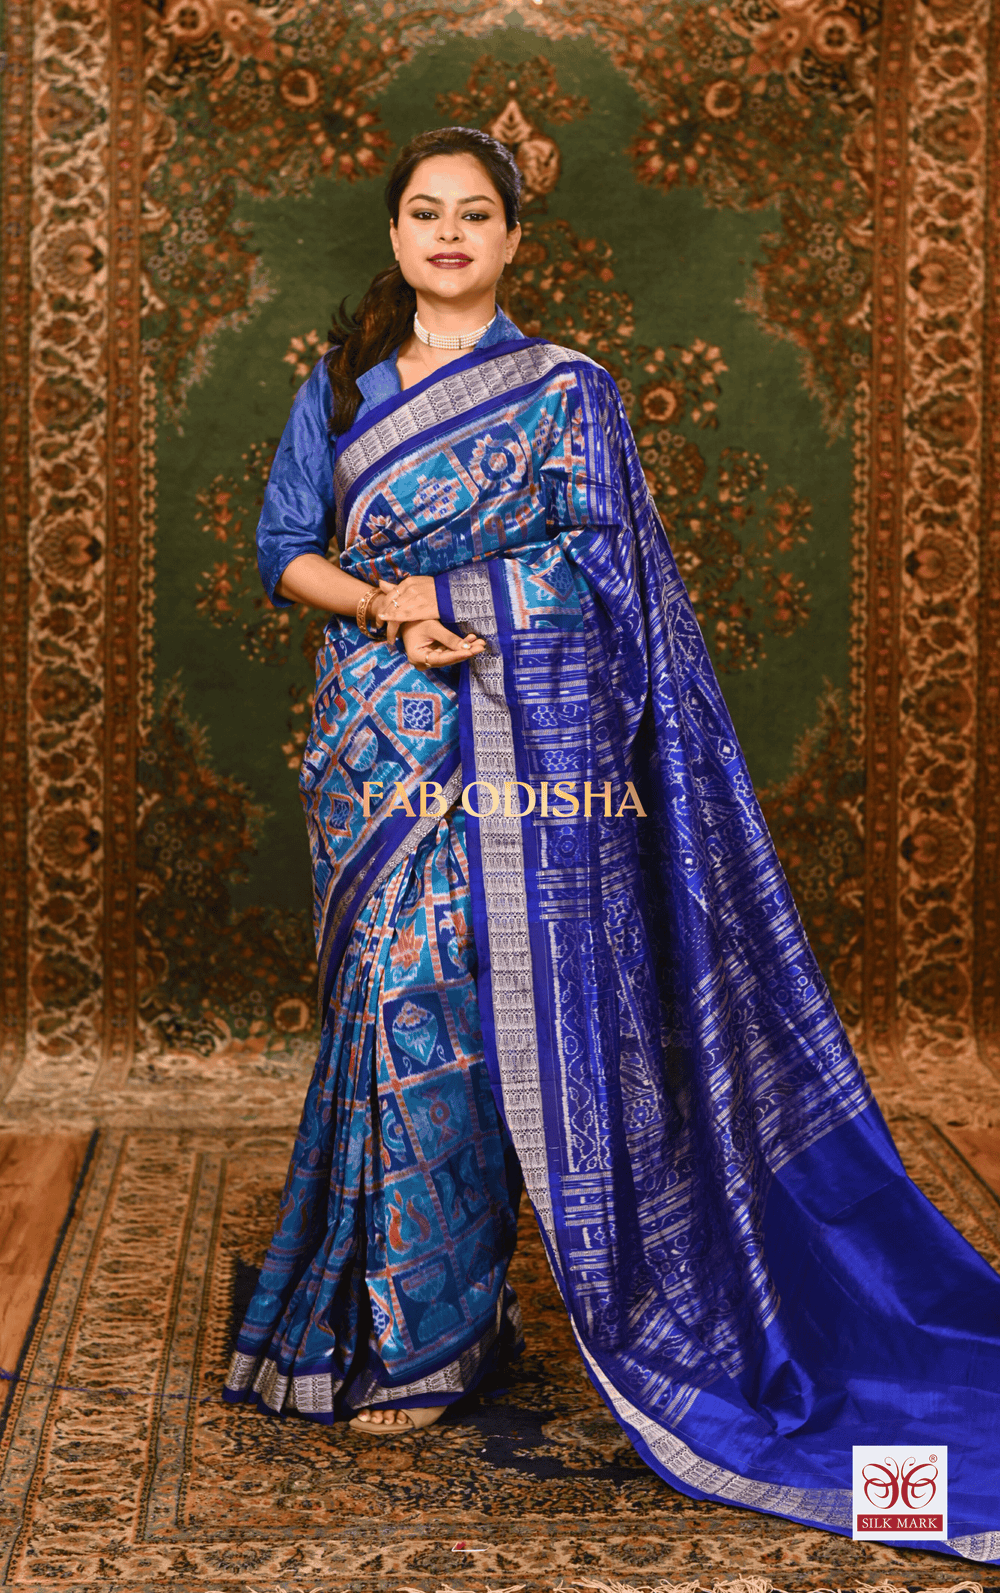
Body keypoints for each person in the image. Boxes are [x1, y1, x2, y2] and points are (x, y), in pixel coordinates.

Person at [225, 126, 1000, 1560]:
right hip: (373, 745)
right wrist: (389, 605)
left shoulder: (567, 393)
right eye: (423, 212)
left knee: (468, 1018)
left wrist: (461, 600)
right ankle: (393, 1319)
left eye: (475, 214)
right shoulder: (337, 386)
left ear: (512, 240)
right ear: (394, 237)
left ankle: (438, 1342)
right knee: (383, 1015)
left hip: (523, 756)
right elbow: (286, 552)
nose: (447, 233)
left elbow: (602, 571)